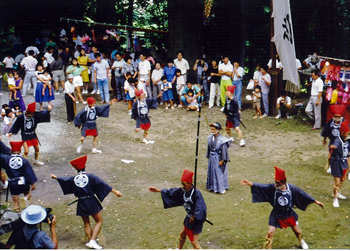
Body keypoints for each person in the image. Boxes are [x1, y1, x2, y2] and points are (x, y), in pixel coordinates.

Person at [240, 166, 324, 249]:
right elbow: (263, 187)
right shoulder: (273, 188)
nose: (276, 184)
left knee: (297, 232)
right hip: (276, 214)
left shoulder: (292, 189)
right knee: (270, 233)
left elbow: (302, 194)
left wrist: (315, 201)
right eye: (275, 182)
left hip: (288, 213)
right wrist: (251, 184)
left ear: (283, 182)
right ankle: (267, 248)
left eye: (278, 183)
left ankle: (301, 241)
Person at [51, 155, 122, 249]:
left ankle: (90, 240)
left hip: (81, 202)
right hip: (91, 201)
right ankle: (92, 241)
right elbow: (102, 184)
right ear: (84, 166)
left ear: (76, 169)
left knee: (86, 223)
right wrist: (115, 191)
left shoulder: (74, 178)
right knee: (99, 221)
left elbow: (64, 180)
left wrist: (56, 178)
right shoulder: (91, 176)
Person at [149, 169, 207, 249]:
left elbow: (201, 207)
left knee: (194, 242)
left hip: (196, 221)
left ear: (190, 183)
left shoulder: (196, 193)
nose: (183, 185)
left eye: (184, 183)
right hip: (189, 218)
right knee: (182, 235)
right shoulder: (183, 191)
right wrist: (159, 191)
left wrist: (195, 216)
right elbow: (172, 192)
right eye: (182, 183)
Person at [0, 141, 37, 211]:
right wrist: (32, 184)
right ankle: (28, 207)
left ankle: (17, 210)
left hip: (13, 183)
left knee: (15, 201)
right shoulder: (24, 160)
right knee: (27, 196)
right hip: (24, 182)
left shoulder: (6, 159)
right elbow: (29, 172)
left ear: (11, 150)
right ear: (20, 150)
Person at [328, 120, 350, 208]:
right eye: (347, 133)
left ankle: (337, 193)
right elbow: (334, 145)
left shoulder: (348, 141)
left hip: (344, 162)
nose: (348, 134)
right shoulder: (338, 140)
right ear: (343, 132)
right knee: (337, 182)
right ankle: (335, 199)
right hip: (336, 162)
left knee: (342, 180)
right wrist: (333, 147)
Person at [206, 122, 232, 194]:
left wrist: (223, 160)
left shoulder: (222, 140)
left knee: (219, 172)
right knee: (211, 171)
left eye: (213, 129)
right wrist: (208, 155)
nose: (212, 131)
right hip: (212, 158)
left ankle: (221, 188)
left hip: (218, 158)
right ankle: (212, 187)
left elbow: (224, 151)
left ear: (218, 130)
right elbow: (209, 148)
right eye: (211, 129)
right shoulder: (210, 138)